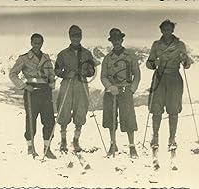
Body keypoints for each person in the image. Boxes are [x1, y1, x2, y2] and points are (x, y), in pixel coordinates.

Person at [146, 19, 191, 154]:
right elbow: (149, 63)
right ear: (161, 30)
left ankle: (172, 138)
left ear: (172, 30)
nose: (166, 32)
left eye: (169, 29)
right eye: (164, 29)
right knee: (156, 109)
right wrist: (155, 63)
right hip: (159, 78)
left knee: (173, 109)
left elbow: (187, 65)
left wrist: (185, 59)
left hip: (174, 78)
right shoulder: (156, 44)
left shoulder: (180, 45)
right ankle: (155, 136)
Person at [9, 33, 56, 159]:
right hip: (32, 91)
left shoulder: (46, 57)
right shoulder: (24, 58)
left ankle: (47, 148)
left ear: (42, 43)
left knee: (49, 120)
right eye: (35, 42)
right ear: (31, 43)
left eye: (39, 43)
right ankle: (30, 147)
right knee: (31, 120)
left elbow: (51, 73)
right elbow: (12, 74)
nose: (37, 45)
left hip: (45, 91)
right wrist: (24, 86)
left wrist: (52, 82)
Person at [54, 25, 96, 153]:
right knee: (64, 111)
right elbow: (56, 70)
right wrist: (66, 74)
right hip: (67, 84)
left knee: (80, 111)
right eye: (73, 36)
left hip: (81, 84)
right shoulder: (63, 54)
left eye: (77, 35)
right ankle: (63, 141)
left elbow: (92, 70)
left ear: (81, 36)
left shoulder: (87, 54)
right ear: (69, 37)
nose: (75, 38)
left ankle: (76, 141)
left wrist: (86, 71)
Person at [101, 28, 141, 158]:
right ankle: (113, 144)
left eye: (118, 39)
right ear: (111, 41)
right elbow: (103, 76)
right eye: (114, 39)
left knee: (128, 118)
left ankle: (132, 146)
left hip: (125, 90)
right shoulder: (107, 58)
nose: (116, 42)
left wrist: (132, 89)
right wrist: (110, 86)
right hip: (111, 91)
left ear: (122, 40)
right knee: (110, 118)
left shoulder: (130, 56)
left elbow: (137, 75)